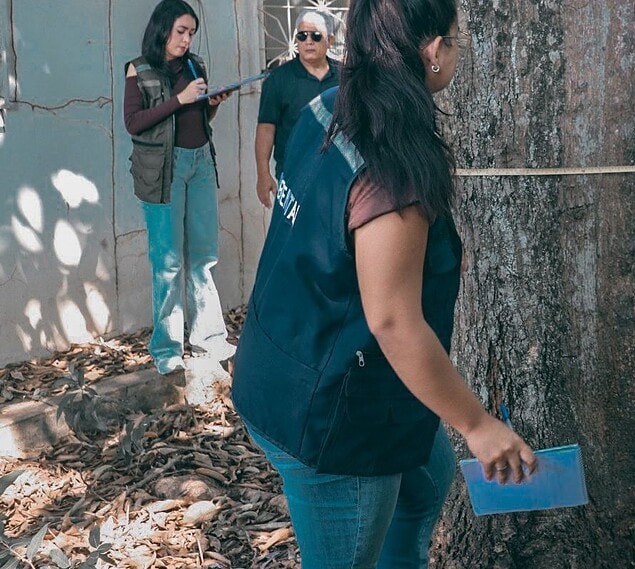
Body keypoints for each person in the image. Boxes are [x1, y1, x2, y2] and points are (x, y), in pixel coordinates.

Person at [230, 0, 526, 566]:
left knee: (425, 486)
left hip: (281, 356)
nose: (456, 50)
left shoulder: (329, 105)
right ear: (433, 51)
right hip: (333, 415)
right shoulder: (393, 164)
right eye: (457, 41)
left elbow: (336, 231)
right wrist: (478, 424)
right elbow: (392, 320)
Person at [124, 0, 235, 376]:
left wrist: (211, 103)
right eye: (181, 32)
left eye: (191, 33)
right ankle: (167, 348)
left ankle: (210, 338)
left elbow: (198, 116)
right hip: (164, 171)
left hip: (201, 163)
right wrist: (179, 99)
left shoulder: (194, 66)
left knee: (204, 257)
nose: (186, 40)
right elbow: (134, 123)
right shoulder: (139, 69)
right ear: (163, 29)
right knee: (168, 263)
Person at [254, 9, 341, 208]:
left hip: (338, 175)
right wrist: (263, 174)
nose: (308, 41)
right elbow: (266, 129)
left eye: (315, 36)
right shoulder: (278, 79)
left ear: (331, 40)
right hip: (293, 175)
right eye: (302, 36)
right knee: (294, 236)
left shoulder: (346, 78)